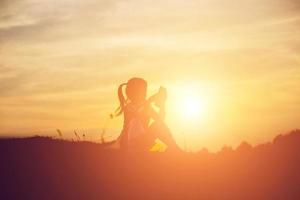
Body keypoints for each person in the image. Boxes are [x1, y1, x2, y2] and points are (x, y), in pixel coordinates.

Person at [114, 77, 180, 152]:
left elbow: (160, 120)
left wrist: (162, 105)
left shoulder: (145, 106)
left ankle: (174, 148)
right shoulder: (129, 108)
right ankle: (175, 149)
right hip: (134, 143)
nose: (145, 94)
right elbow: (138, 115)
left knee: (159, 130)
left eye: (145, 91)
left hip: (143, 141)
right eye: (143, 91)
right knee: (158, 128)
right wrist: (149, 101)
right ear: (133, 92)